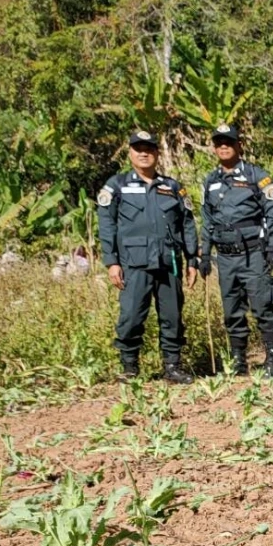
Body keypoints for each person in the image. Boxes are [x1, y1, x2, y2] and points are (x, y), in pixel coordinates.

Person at [96, 130, 200, 383]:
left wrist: (192, 260)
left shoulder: (172, 187)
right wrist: (112, 262)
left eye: (149, 148)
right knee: (131, 316)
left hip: (169, 262)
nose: (144, 153)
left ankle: (172, 367)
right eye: (138, 148)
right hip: (135, 263)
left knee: (172, 316)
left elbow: (187, 224)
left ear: (156, 152)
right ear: (130, 152)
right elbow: (107, 225)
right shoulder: (117, 185)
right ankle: (129, 367)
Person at [201, 123, 273, 377]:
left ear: (239, 145)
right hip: (225, 257)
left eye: (228, 142)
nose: (223, 147)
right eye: (218, 143)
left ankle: (271, 359)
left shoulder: (257, 177)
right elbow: (207, 219)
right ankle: (239, 361)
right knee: (232, 310)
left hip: (253, 254)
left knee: (263, 307)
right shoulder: (211, 181)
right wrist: (204, 254)